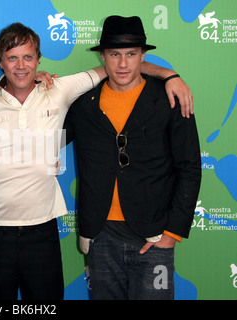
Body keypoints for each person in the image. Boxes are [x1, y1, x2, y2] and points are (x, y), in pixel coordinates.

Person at [0, 22, 193, 300]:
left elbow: (120, 68)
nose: (21, 66)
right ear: (0, 62)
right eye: (12, 58)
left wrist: (170, 75)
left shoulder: (59, 90)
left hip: (42, 232)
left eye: (28, 57)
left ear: (39, 60)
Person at [63, 15, 202, 299]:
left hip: (153, 235)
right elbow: (45, 137)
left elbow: (189, 168)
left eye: (131, 54)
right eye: (114, 54)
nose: (123, 64)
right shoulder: (83, 106)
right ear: (103, 57)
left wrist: (171, 234)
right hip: (101, 237)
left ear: (143, 56)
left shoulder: (170, 99)